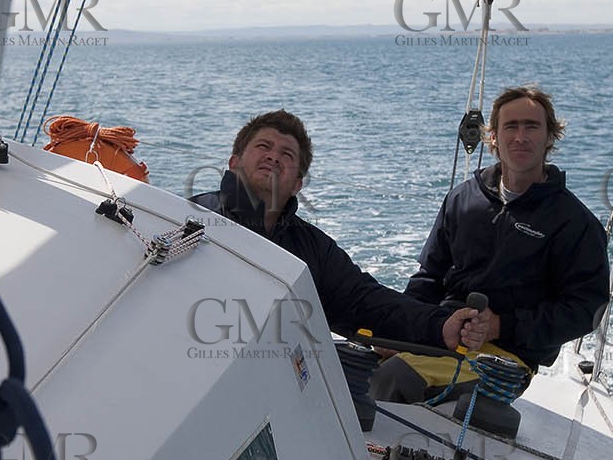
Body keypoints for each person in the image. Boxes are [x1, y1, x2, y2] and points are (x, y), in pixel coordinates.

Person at [192, 110, 474, 349]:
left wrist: (441, 326)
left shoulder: (313, 250)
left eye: (286, 154)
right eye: (263, 146)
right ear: (234, 162)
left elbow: (366, 301)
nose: (273, 157)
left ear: (298, 184)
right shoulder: (192, 218)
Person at [401, 85, 609, 373]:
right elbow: (428, 277)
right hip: (442, 334)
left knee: (399, 379)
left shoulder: (574, 223)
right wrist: (402, 328)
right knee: (361, 373)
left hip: (509, 356)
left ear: (550, 136)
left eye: (532, 127)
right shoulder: (462, 199)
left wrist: (500, 326)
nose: (520, 137)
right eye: (510, 126)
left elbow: (587, 309)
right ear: (493, 137)